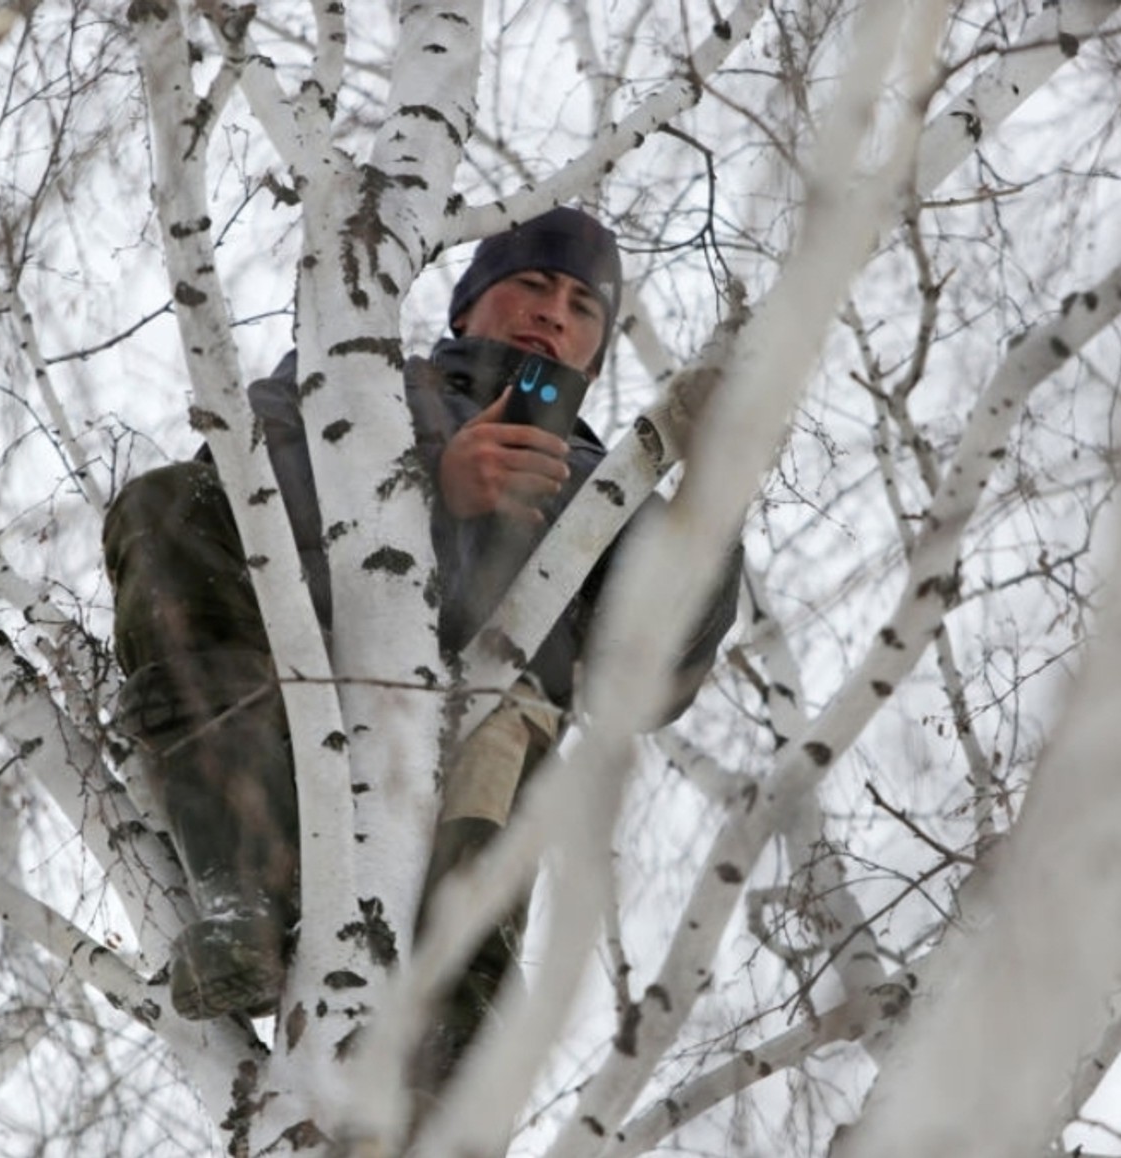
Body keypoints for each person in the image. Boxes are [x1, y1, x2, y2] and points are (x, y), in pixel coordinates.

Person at [102, 207, 740, 1065]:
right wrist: (427, 487)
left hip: (486, 760)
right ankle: (242, 896)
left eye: (584, 308)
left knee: (449, 1046)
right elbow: (235, 498)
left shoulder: (609, 489)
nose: (555, 314)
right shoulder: (360, 386)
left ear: (596, 350)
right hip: (292, 714)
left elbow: (658, 678)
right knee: (162, 503)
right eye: (533, 285)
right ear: (468, 306)